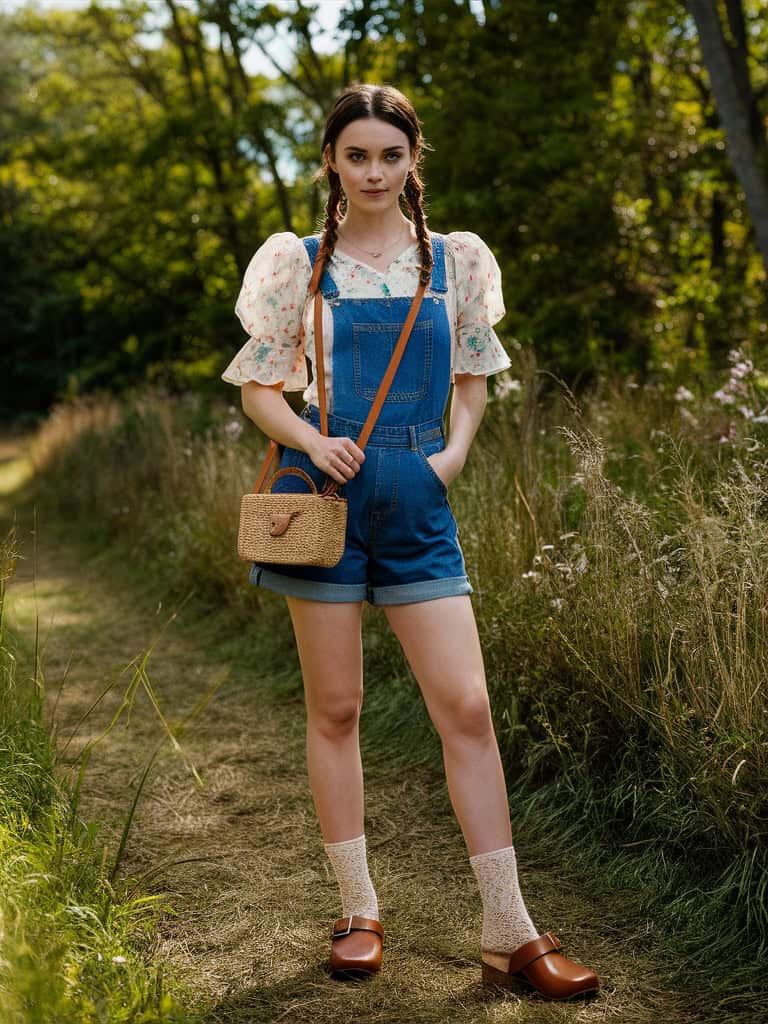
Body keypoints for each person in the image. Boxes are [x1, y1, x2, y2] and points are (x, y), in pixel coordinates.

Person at [222, 82, 599, 1000]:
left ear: (412, 160)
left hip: (420, 496)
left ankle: (508, 930)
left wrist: (451, 458)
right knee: (338, 709)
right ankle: (358, 910)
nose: (375, 172)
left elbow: (474, 372)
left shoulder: (456, 260)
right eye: (357, 155)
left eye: (391, 155)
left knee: (466, 707)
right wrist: (311, 439)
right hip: (327, 494)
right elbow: (258, 387)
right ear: (332, 164)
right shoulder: (297, 264)